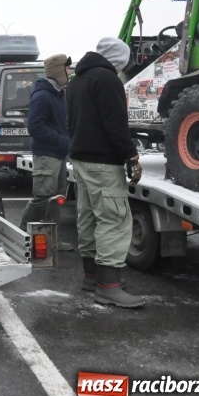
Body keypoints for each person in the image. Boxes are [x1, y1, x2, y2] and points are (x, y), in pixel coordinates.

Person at [67, 37, 144, 308]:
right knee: (114, 219)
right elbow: (116, 125)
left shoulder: (76, 82)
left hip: (80, 160)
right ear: (118, 60)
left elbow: (72, 122)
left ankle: (92, 277)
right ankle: (109, 285)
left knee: (88, 217)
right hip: (103, 163)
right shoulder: (108, 80)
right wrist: (131, 155)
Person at [19, 53, 74, 251]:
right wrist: (64, 141)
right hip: (46, 155)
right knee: (42, 197)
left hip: (58, 154)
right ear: (59, 70)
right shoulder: (42, 95)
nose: (70, 71)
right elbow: (35, 127)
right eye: (67, 68)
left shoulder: (58, 94)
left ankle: (52, 239)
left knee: (56, 198)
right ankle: (22, 234)